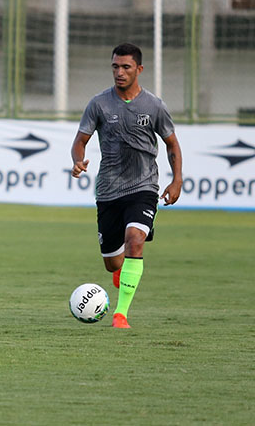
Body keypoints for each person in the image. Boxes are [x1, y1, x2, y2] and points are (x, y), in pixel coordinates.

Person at [71, 43, 183, 328]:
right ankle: (121, 272)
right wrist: (78, 161)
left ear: (139, 70)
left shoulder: (154, 106)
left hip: (144, 187)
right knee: (113, 263)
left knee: (135, 240)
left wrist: (176, 179)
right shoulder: (99, 104)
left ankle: (120, 315)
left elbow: (172, 144)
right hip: (108, 190)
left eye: (126, 67)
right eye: (115, 67)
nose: (119, 73)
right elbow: (80, 141)